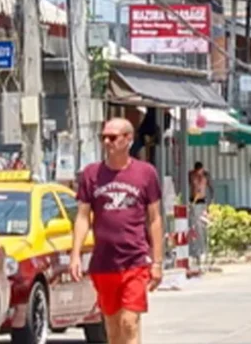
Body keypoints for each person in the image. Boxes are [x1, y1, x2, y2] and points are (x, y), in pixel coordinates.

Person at [71, 118, 164, 344]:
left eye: (112, 137)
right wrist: (75, 254)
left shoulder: (146, 173)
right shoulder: (91, 174)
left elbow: (154, 219)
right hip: (104, 263)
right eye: (103, 137)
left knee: (129, 322)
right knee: (112, 328)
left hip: (135, 260)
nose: (107, 142)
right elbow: (83, 216)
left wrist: (157, 262)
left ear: (128, 140)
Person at [187, 162, 212, 269]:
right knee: (194, 226)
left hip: (202, 201)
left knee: (201, 226)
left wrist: (210, 203)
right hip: (194, 201)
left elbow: (209, 188)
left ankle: (203, 250)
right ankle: (195, 251)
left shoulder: (205, 177)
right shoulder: (192, 176)